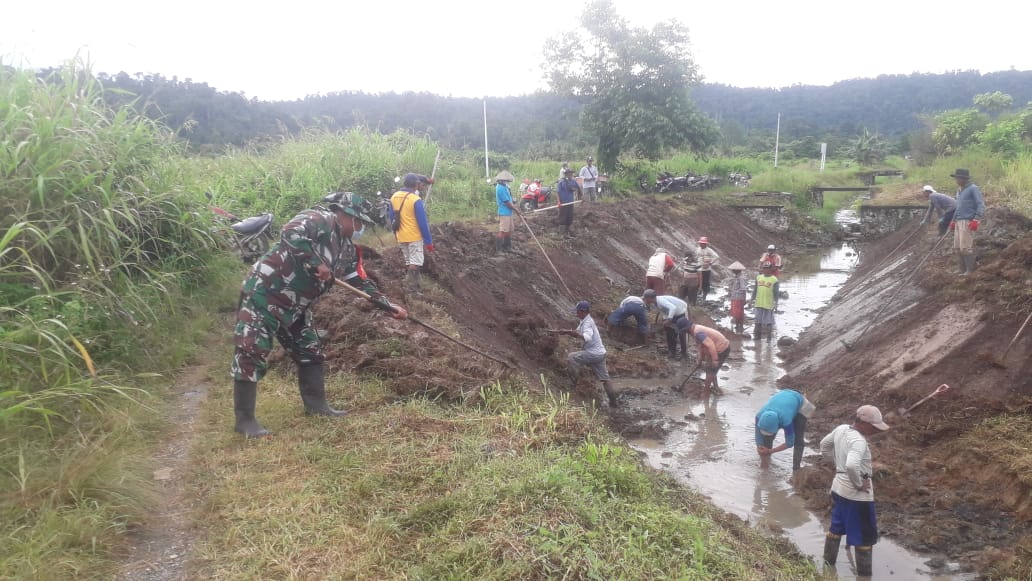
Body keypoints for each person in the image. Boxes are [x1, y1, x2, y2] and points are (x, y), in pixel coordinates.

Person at [231, 194, 408, 438]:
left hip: (296, 305)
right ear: (344, 214)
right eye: (357, 222)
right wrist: (316, 262)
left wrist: (388, 306)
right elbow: (290, 233)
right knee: (252, 350)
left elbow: (359, 281)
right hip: (265, 294)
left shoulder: (347, 249)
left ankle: (317, 406)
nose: (360, 228)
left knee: (310, 350)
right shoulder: (318, 219)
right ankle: (245, 421)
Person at [819, 405, 891, 576]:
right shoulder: (859, 441)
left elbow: (824, 445)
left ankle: (828, 568)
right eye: (874, 427)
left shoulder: (841, 429)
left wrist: (835, 465)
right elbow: (852, 465)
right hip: (857, 496)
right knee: (864, 537)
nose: (875, 431)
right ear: (864, 424)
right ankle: (864, 575)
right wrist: (859, 484)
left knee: (836, 527)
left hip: (838, 488)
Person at [562, 300, 618, 407]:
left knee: (571, 358)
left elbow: (587, 337)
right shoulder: (585, 321)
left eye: (577, 311)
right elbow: (577, 332)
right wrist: (567, 332)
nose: (576, 313)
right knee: (605, 379)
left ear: (583, 311)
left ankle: (574, 385)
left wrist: (575, 334)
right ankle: (613, 404)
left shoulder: (587, 323)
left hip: (594, 354)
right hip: (600, 353)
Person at [389, 173, 434, 294]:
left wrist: (395, 234)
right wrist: (428, 241)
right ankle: (411, 288)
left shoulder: (394, 197)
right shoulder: (415, 199)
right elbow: (423, 223)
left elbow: (391, 217)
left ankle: (417, 286)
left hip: (401, 236)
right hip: (414, 236)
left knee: (410, 262)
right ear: (415, 184)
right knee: (415, 263)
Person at [754, 388, 812, 470]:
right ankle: (766, 465)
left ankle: (796, 469)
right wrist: (760, 448)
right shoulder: (759, 416)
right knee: (766, 439)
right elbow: (759, 439)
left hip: (801, 404)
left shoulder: (786, 421)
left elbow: (790, 443)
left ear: (778, 425)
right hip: (784, 396)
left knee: (798, 439)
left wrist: (770, 451)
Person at [949, 169, 985, 275]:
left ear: (964, 179)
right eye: (956, 178)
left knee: (965, 247)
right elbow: (958, 207)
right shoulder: (959, 190)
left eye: (958, 178)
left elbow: (980, 205)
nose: (956, 180)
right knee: (957, 247)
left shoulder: (973, 189)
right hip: (959, 220)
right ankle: (961, 269)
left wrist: (976, 219)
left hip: (967, 220)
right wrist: (953, 221)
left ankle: (970, 270)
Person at [643, 289, 691, 359]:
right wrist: (665, 320)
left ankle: (684, 353)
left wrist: (669, 319)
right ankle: (672, 352)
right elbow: (665, 311)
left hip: (681, 311)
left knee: (682, 332)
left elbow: (672, 308)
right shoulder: (655, 303)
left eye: (646, 298)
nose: (646, 300)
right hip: (672, 314)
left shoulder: (661, 301)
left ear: (650, 298)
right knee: (670, 332)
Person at [688, 322, 730, 392]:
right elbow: (702, 347)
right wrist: (700, 361)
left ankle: (706, 394)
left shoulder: (697, 333)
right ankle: (716, 388)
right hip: (717, 348)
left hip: (722, 348)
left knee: (710, 371)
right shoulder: (697, 330)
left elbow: (711, 345)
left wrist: (715, 360)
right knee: (712, 370)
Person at [752, 262, 778, 340]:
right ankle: (757, 338)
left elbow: (776, 293)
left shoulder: (774, 280)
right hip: (758, 303)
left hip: (768, 304)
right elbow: (755, 289)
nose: (765, 270)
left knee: (768, 322)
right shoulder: (758, 277)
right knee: (757, 321)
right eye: (764, 268)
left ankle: (769, 338)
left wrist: (776, 303)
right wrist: (751, 299)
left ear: (770, 269)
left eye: (767, 268)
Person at [494, 170, 519, 254]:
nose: (507, 182)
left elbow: (510, 199)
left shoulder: (505, 186)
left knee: (509, 230)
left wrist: (514, 204)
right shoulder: (500, 188)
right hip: (504, 212)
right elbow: (507, 202)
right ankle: (499, 249)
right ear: (501, 180)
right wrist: (515, 209)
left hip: (509, 212)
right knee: (503, 231)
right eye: (506, 180)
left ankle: (507, 246)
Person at [556, 168, 582, 238]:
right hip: (563, 203)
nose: (570, 175)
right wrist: (558, 201)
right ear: (566, 174)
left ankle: (567, 233)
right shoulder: (561, 182)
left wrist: (580, 197)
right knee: (562, 217)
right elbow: (557, 192)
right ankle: (561, 234)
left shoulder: (573, 182)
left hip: (570, 203)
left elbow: (579, 188)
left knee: (569, 217)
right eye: (569, 173)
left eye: (571, 173)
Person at [727, 261, 749, 334]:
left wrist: (744, 299)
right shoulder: (735, 278)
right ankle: (737, 325)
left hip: (739, 298)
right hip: (734, 297)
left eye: (733, 270)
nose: (732, 271)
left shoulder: (741, 278)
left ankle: (740, 326)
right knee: (736, 313)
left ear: (737, 270)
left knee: (739, 313)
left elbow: (743, 289)